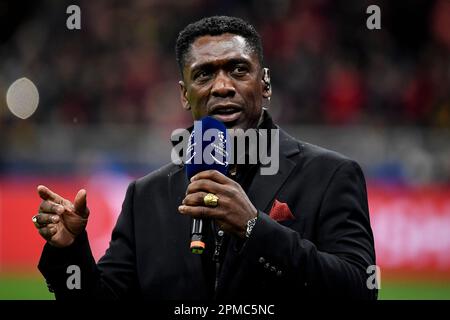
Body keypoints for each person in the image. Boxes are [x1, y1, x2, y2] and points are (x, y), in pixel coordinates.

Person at [33, 16, 377, 300]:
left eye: (239, 70)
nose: (222, 86)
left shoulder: (329, 175)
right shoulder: (146, 196)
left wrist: (255, 228)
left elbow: (360, 291)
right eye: (204, 74)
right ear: (185, 94)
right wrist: (70, 251)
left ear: (265, 83)